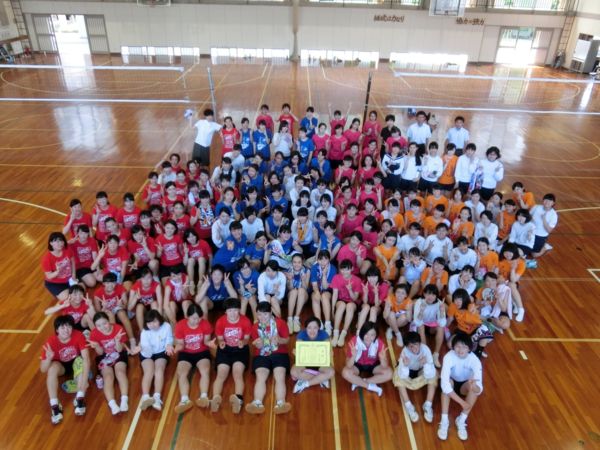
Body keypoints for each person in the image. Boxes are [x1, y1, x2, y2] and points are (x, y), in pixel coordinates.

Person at [40, 315, 90, 425]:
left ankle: (79, 398)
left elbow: (86, 358)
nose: (66, 330)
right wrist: (48, 359)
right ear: (57, 330)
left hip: (75, 362)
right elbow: (43, 369)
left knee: (81, 361)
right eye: (62, 327)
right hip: (61, 366)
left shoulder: (78, 335)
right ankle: (55, 405)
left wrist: (84, 381)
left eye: (69, 326)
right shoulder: (51, 341)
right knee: (52, 369)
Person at [245, 302, 292, 414]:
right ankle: (257, 403)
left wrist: (279, 340)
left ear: (271, 313)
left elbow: (287, 340)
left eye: (265, 314)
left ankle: (281, 403)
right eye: (259, 314)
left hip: (279, 352)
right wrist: (257, 344)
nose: (262, 317)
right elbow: (255, 343)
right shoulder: (255, 327)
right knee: (260, 377)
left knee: (279, 376)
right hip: (262, 354)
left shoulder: (280, 323)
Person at [437, 333, 483, 442]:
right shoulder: (448, 357)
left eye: (464, 347)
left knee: (473, 388)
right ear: (453, 347)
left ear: (469, 348)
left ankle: (461, 420)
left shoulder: (475, 361)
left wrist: (474, 386)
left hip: (464, 386)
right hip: (451, 382)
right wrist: (463, 403)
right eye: (458, 346)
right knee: (447, 383)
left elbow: (479, 389)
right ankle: (444, 420)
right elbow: (445, 385)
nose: (460, 350)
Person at [211, 298, 252, 413]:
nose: (232, 313)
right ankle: (215, 399)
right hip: (225, 350)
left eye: (235, 310)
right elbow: (220, 339)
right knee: (221, 374)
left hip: (240, 350)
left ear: (239, 310)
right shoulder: (220, 322)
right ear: (225, 312)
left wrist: (242, 342)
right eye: (229, 311)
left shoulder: (245, 321)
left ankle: (238, 399)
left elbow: (246, 339)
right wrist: (221, 343)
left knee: (237, 374)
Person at [173, 304, 213, 414]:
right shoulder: (180, 326)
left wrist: (210, 344)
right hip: (185, 353)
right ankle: (184, 400)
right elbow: (181, 344)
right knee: (181, 374)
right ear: (187, 316)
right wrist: (176, 348)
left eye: (199, 318)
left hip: (202, 352)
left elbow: (206, 341)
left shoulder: (205, 324)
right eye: (194, 318)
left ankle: (204, 397)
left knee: (205, 372)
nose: (197, 321)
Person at [88, 312, 129, 415]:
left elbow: (119, 350)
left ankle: (124, 400)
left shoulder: (118, 328)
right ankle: (112, 404)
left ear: (109, 321)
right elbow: (100, 353)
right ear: (95, 326)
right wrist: (97, 346)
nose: (102, 327)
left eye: (105, 323)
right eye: (98, 325)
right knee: (108, 377)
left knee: (120, 372)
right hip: (104, 356)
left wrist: (117, 341)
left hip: (118, 353)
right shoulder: (94, 333)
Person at [133, 310, 173, 411]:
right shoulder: (145, 332)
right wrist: (140, 348)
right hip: (147, 353)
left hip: (161, 352)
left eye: (154, 321)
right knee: (149, 371)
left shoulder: (167, 326)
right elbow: (147, 350)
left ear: (159, 320)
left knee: (159, 370)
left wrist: (169, 345)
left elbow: (169, 338)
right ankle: (145, 397)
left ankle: (157, 397)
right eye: (149, 323)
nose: (152, 325)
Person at [394, 331, 437, 423]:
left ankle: (428, 404)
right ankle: (409, 406)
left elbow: (430, 374)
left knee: (434, 376)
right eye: (411, 346)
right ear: (406, 347)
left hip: (421, 370)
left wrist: (425, 364)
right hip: (409, 371)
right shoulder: (404, 353)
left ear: (420, 343)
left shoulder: (426, 350)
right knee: (397, 376)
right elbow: (403, 375)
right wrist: (405, 366)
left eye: (416, 345)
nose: (414, 349)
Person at [341, 321, 393, 397]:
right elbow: (348, 366)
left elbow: (385, 367)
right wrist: (353, 356)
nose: (369, 337)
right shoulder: (354, 342)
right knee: (345, 372)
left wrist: (382, 359)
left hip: (373, 364)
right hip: (357, 364)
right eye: (366, 334)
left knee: (389, 373)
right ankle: (370, 387)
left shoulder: (379, 343)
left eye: (372, 335)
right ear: (362, 332)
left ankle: (359, 382)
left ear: (376, 335)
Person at [291, 317, 335, 393]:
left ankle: (305, 383)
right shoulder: (301, 335)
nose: (312, 331)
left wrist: (330, 353)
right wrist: (296, 353)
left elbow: (328, 351)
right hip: (305, 362)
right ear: (306, 328)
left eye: (315, 328)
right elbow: (299, 353)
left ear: (318, 328)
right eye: (309, 328)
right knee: (293, 372)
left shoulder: (324, 334)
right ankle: (321, 379)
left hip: (320, 363)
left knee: (331, 372)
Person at [412, 284, 446, 368]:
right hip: (421, 325)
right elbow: (417, 322)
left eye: (433, 294)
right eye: (428, 294)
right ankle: (426, 354)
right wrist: (421, 311)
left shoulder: (439, 303)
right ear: (424, 294)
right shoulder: (419, 302)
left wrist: (442, 312)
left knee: (441, 328)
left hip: (432, 326)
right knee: (421, 326)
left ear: (436, 296)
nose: (430, 297)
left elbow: (442, 323)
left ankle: (435, 354)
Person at [330, 259, 362, 347]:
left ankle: (343, 334)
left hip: (352, 301)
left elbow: (355, 298)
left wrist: (350, 290)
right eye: (342, 269)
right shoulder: (336, 277)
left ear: (352, 269)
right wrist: (332, 309)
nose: (344, 272)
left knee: (350, 306)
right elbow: (335, 294)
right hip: (341, 300)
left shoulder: (357, 280)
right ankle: (336, 333)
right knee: (342, 305)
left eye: (347, 269)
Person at [41, 232, 76, 302]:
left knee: (80, 290)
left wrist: (73, 274)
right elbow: (49, 276)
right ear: (51, 243)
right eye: (57, 241)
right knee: (67, 298)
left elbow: (73, 262)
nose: (60, 243)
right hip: (55, 283)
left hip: (69, 279)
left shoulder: (67, 250)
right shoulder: (46, 259)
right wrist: (57, 272)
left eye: (61, 240)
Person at [530, 193, 558, 261]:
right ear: (543, 200)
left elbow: (549, 230)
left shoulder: (553, 215)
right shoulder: (536, 207)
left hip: (540, 236)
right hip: (530, 232)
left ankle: (545, 247)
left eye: (550, 201)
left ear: (553, 203)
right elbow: (528, 216)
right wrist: (530, 219)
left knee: (534, 255)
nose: (547, 202)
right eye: (546, 199)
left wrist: (544, 219)